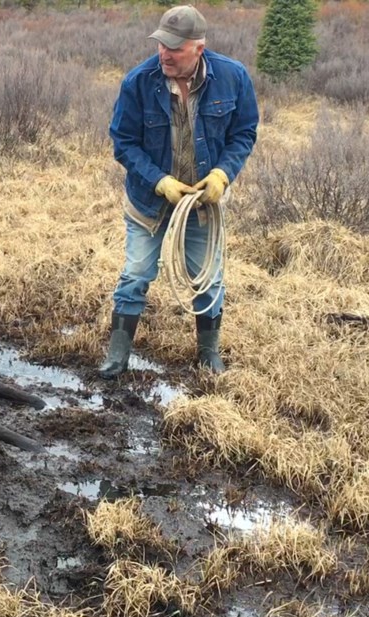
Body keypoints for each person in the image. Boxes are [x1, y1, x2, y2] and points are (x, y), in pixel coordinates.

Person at [99, 4, 259, 379]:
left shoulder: (233, 77)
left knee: (209, 278)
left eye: (174, 48)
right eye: (161, 45)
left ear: (198, 47)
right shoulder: (138, 82)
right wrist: (160, 180)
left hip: (204, 204)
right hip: (148, 203)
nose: (165, 54)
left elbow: (244, 132)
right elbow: (123, 141)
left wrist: (222, 174)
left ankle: (209, 355)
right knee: (136, 274)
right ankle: (117, 358)